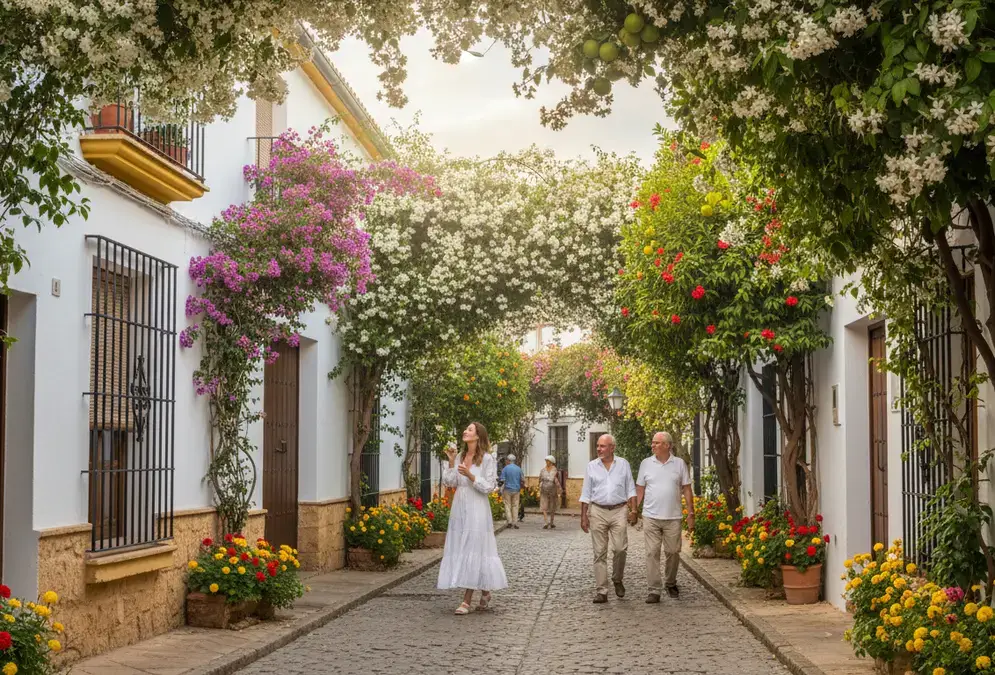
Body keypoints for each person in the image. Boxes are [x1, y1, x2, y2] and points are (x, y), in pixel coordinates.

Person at [438, 422, 509, 614]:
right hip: (460, 506)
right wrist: (452, 461)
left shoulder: (487, 459)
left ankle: (466, 600)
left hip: (477, 507)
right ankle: (485, 592)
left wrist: (470, 475)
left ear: (478, 436)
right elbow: (450, 482)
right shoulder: (461, 456)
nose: (465, 432)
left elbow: (489, 487)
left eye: (470, 430)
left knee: (473, 547)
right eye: (466, 429)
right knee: (465, 547)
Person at [636, 431, 695, 602]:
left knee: (673, 551)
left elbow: (686, 488)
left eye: (656, 443)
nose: (652, 445)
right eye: (652, 442)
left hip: (673, 517)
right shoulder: (646, 464)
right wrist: (633, 509)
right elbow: (640, 488)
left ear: (667, 445)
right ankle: (654, 590)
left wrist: (691, 512)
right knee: (652, 552)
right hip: (650, 516)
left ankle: (670, 582)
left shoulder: (679, 464)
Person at [579, 434, 637, 603]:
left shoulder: (623, 464)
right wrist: (584, 516)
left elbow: (631, 488)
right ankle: (602, 590)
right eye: (598, 446)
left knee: (620, 548)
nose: (599, 449)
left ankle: (617, 578)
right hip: (597, 510)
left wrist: (634, 510)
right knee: (599, 552)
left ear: (612, 448)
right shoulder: (591, 466)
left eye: (602, 446)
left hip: (619, 510)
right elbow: (586, 493)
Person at [538, 455, 562, 529]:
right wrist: (539, 486)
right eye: (546, 461)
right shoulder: (542, 470)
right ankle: (546, 522)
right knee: (544, 506)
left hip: (553, 491)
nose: (547, 462)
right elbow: (540, 479)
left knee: (552, 507)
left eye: (548, 461)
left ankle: (551, 522)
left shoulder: (555, 471)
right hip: (544, 490)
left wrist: (559, 489)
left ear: (551, 462)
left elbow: (558, 480)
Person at [500, 454, 523, 529]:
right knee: (515, 506)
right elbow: (523, 479)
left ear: (508, 460)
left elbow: (502, 480)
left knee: (507, 505)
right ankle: (515, 522)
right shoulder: (518, 469)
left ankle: (509, 522)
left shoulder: (505, 469)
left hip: (507, 489)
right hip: (516, 489)